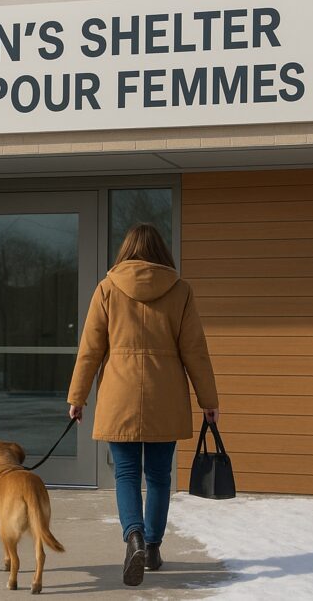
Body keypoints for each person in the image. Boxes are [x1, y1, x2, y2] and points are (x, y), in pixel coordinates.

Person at [66, 223, 220, 587]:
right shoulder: (180, 291)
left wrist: (77, 397)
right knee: (159, 476)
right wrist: (208, 401)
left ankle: (133, 536)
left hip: (119, 396)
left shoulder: (107, 289)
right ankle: (151, 548)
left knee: (126, 474)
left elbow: (90, 349)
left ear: (126, 250)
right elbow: (195, 351)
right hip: (165, 396)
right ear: (161, 252)